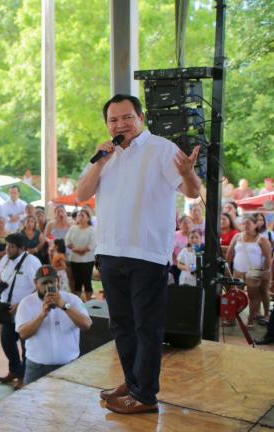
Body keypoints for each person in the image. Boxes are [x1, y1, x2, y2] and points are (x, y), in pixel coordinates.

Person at [78, 94, 202, 414]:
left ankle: (145, 395)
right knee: (121, 325)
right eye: (113, 120)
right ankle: (132, 382)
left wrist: (188, 172)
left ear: (141, 118)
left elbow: (192, 191)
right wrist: (102, 161)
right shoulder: (106, 155)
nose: (120, 124)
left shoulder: (161, 148)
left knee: (146, 327)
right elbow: (81, 194)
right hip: (109, 251)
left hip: (147, 253)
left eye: (127, 117)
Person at [16, 265, 91, 385]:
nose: (48, 287)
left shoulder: (72, 300)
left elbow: (87, 324)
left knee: (69, 403)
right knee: (31, 403)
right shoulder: (26, 303)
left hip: (70, 366)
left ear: (58, 281)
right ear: (36, 282)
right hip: (37, 368)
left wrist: (64, 306)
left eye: (52, 282)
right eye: (44, 283)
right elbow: (23, 334)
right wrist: (42, 315)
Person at [0, 233, 41, 390]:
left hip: (25, 310)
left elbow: (39, 287)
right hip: (7, 309)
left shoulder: (32, 263)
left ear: (22, 248)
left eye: (11, 246)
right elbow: (0, 276)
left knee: (25, 345)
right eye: (7, 245)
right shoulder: (5, 259)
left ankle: (24, 377)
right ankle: (15, 371)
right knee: (6, 342)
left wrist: (21, 303)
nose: (7, 249)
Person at [226, 214, 272, 327]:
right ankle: (231, 318)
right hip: (238, 271)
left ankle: (250, 319)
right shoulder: (237, 237)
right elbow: (230, 252)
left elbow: (268, 257)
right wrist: (227, 267)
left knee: (253, 296)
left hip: (254, 272)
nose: (245, 226)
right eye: (244, 223)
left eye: (248, 223)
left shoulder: (262, 239)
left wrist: (266, 272)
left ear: (255, 225)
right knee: (234, 295)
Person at [65, 209, 96, 300]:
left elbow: (92, 244)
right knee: (77, 282)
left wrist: (82, 250)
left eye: (82, 215)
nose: (80, 217)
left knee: (87, 281)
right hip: (74, 259)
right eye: (78, 215)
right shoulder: (73, 228)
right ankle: (77, 302)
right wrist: (75, 249)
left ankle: (89, 302)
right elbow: (67, 240)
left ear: (88, 218)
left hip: (87, 260)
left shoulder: (92, 230)